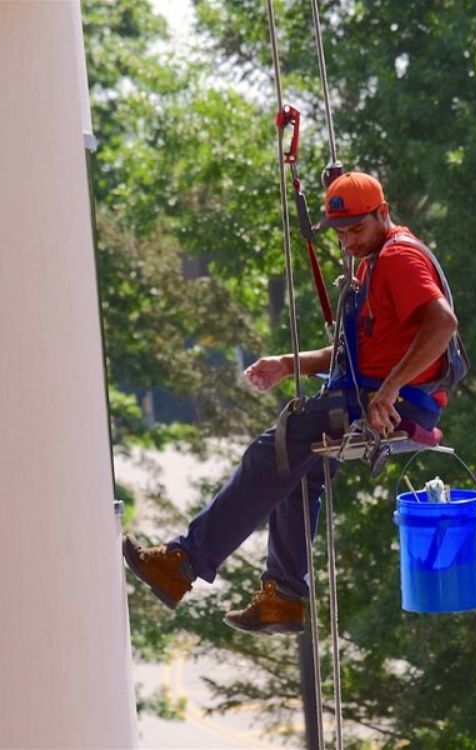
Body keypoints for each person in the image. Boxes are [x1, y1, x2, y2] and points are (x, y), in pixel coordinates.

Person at [123, 172, 458, 635]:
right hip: (373, 394)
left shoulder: (398, 256)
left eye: (357, 229)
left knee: (273, 449)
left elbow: (442, 323)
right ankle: (281, 597)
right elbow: (355, 354)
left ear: (383, 213)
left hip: (391, 402)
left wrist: (390, 389)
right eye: (340, 233)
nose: (348, 241)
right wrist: (288, 363)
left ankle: (183, 561)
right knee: (298, 472)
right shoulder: (372, 263)